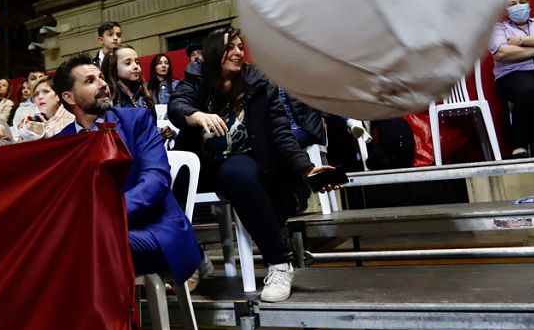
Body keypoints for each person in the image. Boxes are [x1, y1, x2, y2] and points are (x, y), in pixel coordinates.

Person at [168, 27, 336, 302]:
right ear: (213, 53)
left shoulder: (258, 83)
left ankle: (280, 263)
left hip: (242, 158)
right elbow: (178, 104)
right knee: (163, 182)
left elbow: (281, 134)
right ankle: (194, 260)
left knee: (238, 175)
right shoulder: (197, 77)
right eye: (229, 47)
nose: (238, 52)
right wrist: (195, 115)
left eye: (239, 47)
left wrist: (306, 169)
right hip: (202, 162)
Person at [53, 54, 201, 284]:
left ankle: (113, 320)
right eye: (90, 81)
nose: (103, 84)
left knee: (85, 246)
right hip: (93, 233)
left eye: (102, 77)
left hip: (153, 228)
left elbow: (156, 180)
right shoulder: (63, 143)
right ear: (69, 97)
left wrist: (108, 214)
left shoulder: (137, 120)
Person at [490, 0, 534, 158]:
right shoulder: (498, 28)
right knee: (529, 88)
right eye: (513, 4)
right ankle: (519, 145)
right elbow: (502, 53)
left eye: (522, 2)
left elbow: (511, 49)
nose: (519, 6)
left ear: (529, 5)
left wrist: (521, 42)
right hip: (510, 76)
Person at [17, 75, 74, 140]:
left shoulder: (70, 116)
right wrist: (24, 135)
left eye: (46, 92)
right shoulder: (33, 120)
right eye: (36, 94)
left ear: (58, 96)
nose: (40, 96)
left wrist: (42, 134)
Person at [103, 45, 153, 112]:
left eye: (137, 62)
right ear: (113, 67)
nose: (136, 66)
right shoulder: (108, 98)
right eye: (128, 63)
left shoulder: (144, 94)